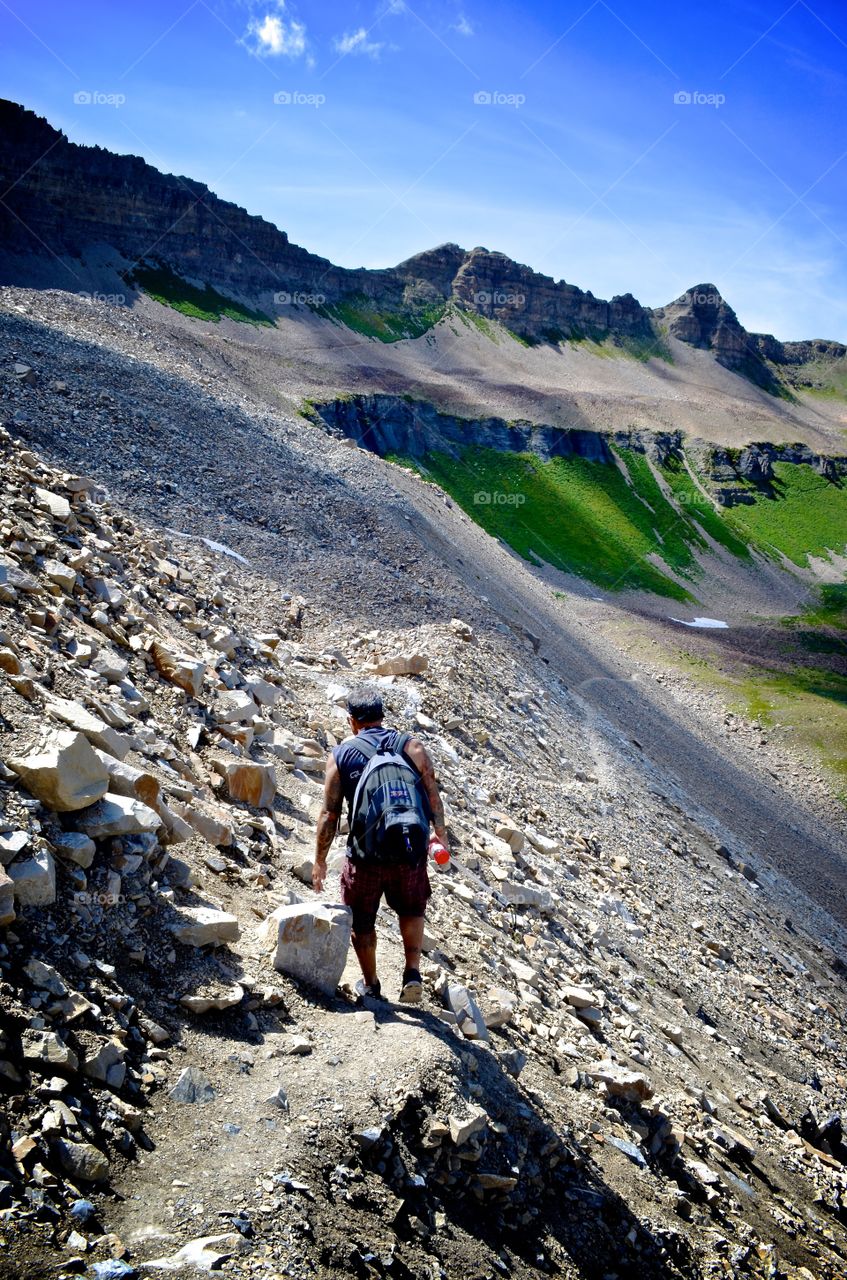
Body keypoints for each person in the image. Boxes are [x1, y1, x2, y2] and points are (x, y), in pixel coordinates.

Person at [312, 685, 449, 1002]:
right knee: (412, 909)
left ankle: (372, 985)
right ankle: (412, 973)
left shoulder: (342, 755)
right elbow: (432, 795)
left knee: (362, 920)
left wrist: (320, 860)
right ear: (381, 716)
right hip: (409, 850)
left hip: (365, 856)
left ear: (352, 721)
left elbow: (329, 815)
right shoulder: (411, 746)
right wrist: (439, 835)